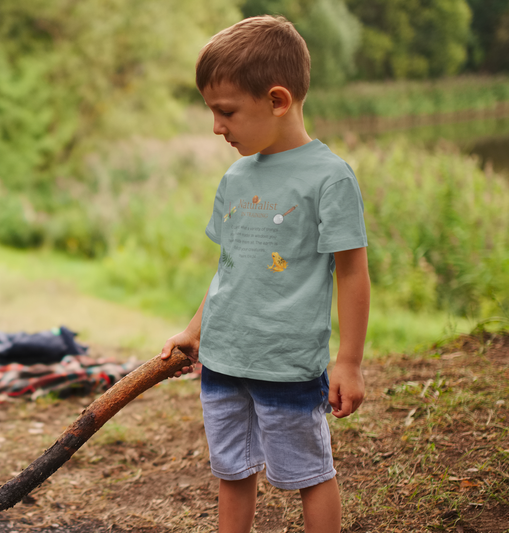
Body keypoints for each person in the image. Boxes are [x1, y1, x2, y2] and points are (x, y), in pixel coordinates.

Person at [160, 15, 370, 533]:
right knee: (231, 470)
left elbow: (352, 274)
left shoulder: (329, 177)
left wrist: (349, 361)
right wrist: (194, 330)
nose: (216, 127)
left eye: (225, 111)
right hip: (224, 360)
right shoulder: (235, 178)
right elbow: (230, 267)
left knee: (309, 473)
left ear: (278, 100)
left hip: (287, 363)